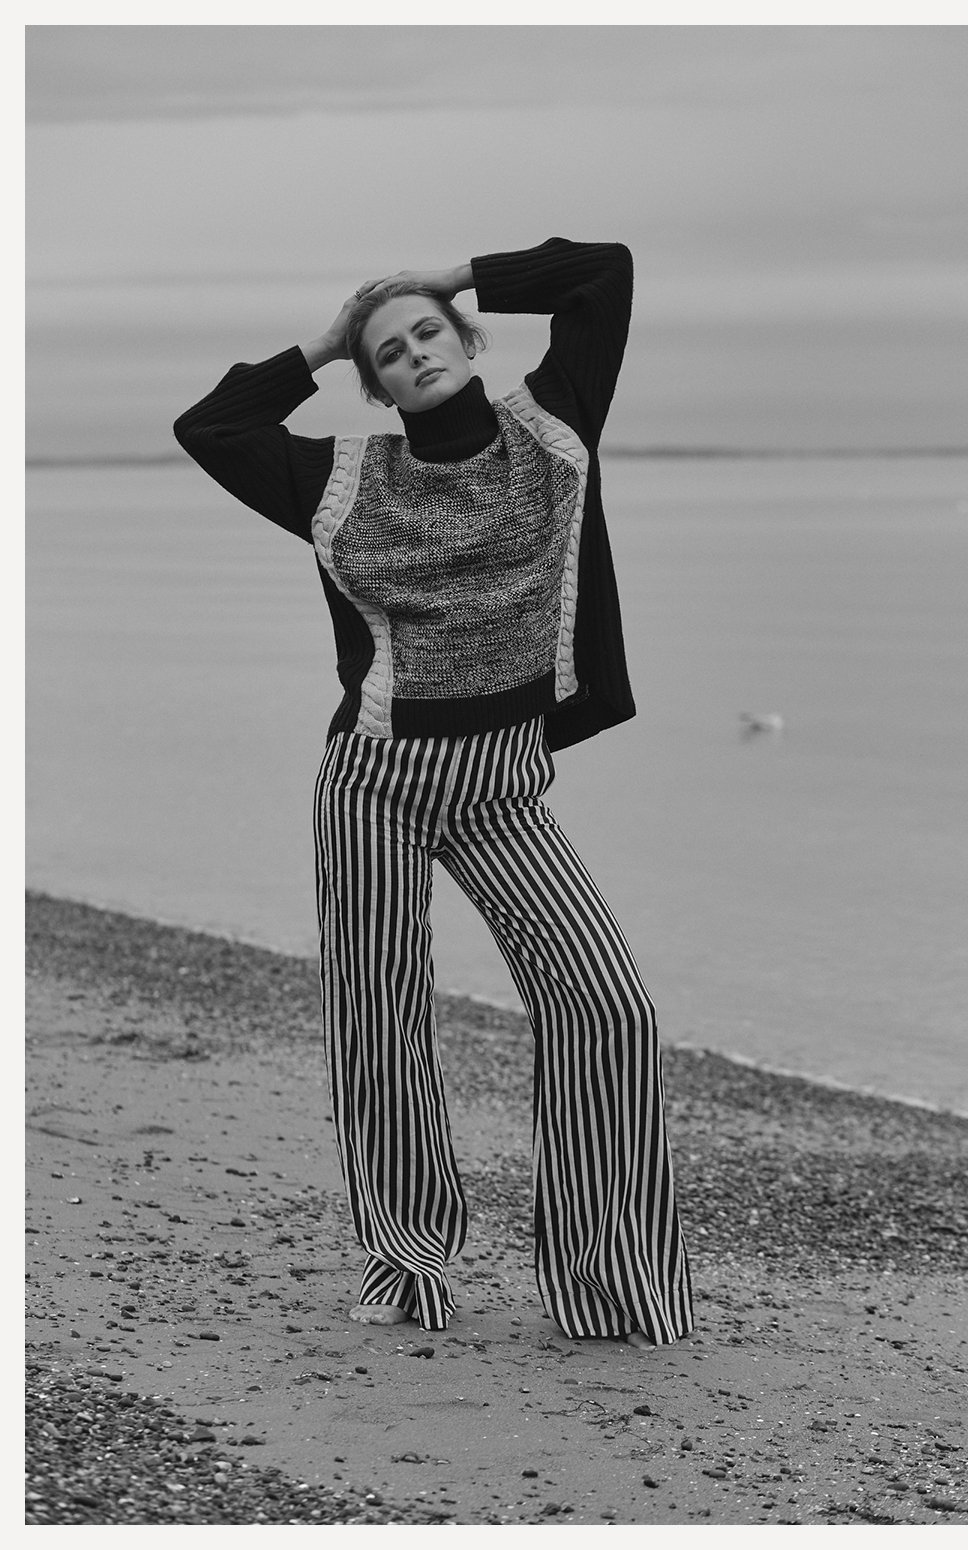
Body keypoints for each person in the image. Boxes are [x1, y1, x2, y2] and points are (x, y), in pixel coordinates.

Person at [173, 236, 694, 1348]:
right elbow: (210, 428)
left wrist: (451, 278)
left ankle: (613, 1291)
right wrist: (323, 340)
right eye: (388, 352)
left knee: (609, 1007)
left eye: (429, 335)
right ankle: (406, 1266)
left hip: (505, 786)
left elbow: (603, 271)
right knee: (381, 1023)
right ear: (373, 381)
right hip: (377, 785)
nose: (414, 355)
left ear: (466, 343)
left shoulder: (552, 429)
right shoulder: (341, 476)